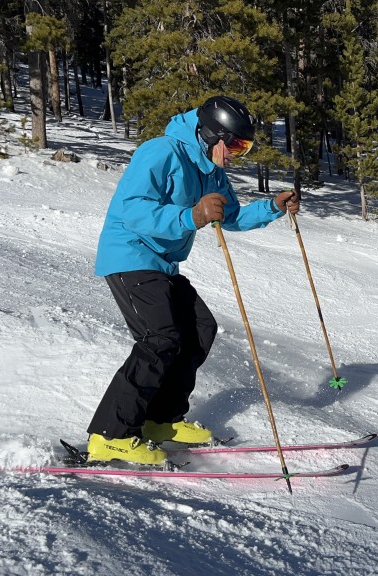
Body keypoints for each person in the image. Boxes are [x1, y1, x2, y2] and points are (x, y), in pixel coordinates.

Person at [86, 95, 299, 465]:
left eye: (245, 146)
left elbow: (229, 216)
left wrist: (273, 207)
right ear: (209, 134)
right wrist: (191, 216)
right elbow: (133, 209)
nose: (238, 153)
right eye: (234, 144)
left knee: (200, 327)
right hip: (130, 253)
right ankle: (110, 435)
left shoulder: (211, 170)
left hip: (163, 264)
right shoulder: (160, 152)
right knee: (160, 339)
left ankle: (160, 421)